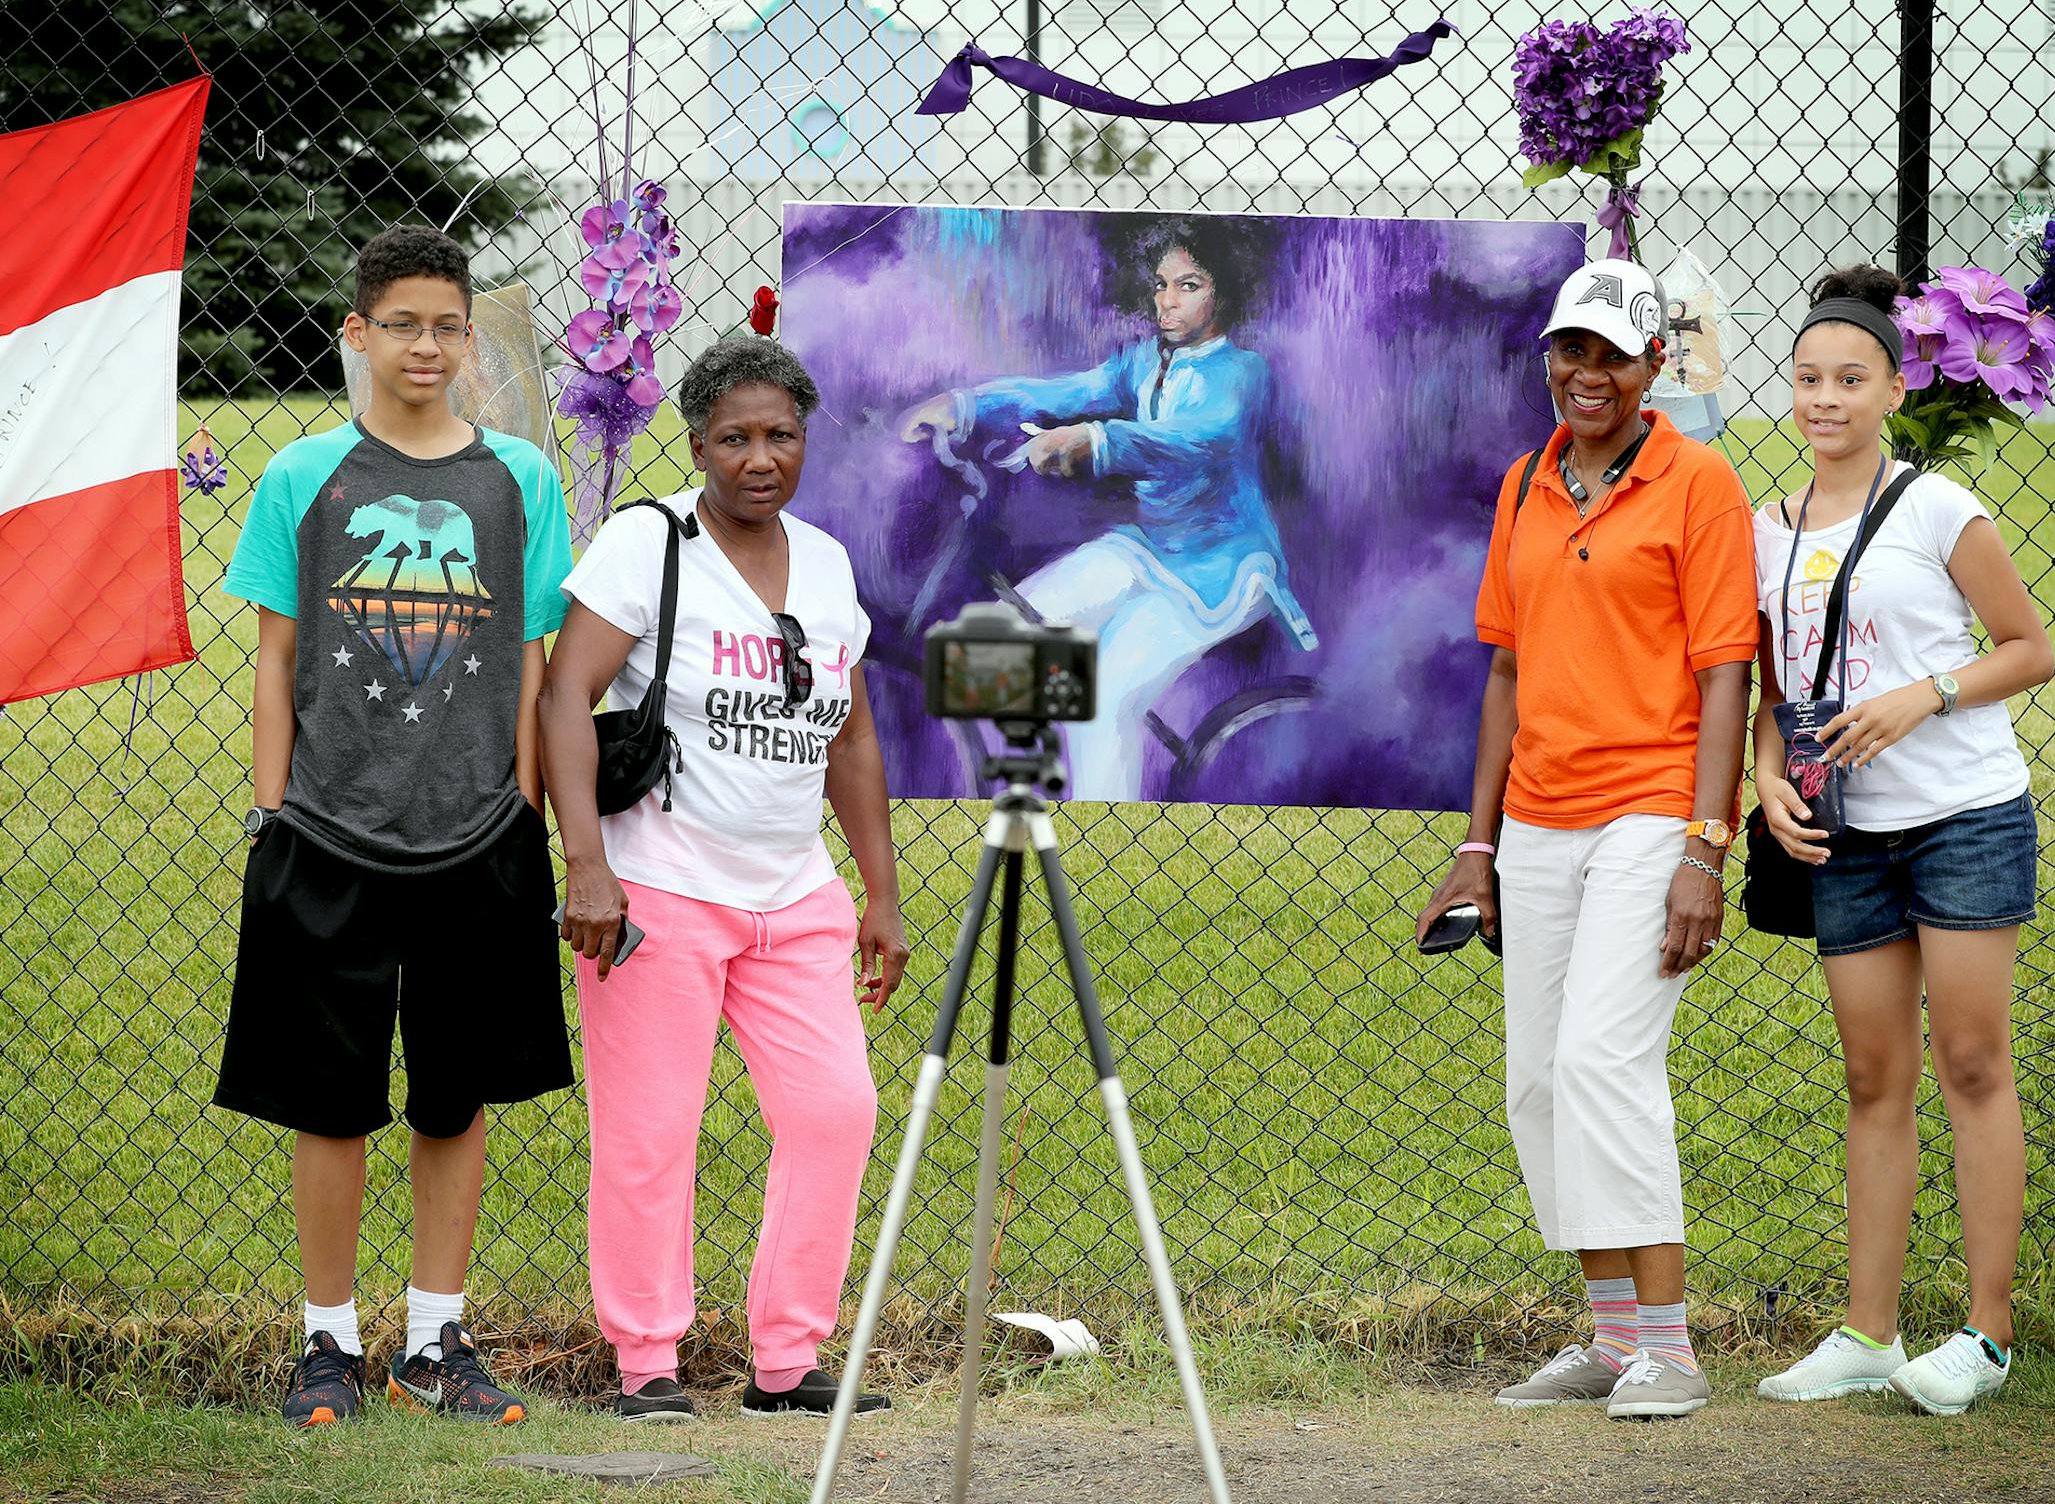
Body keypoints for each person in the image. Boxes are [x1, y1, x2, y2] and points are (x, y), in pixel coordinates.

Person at [215, 225, 575, 1426]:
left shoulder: (518, 478)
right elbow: (274, 660)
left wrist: (522, 810)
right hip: (329, 827)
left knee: (454, 1094)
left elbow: (531, 660)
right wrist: (274, 809)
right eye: (403, 324)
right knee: (331, 1097)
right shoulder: (301, 477)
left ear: (472, 338)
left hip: (478, 833)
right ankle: (327, 1344)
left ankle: (435, 1339)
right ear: (358, 334)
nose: (427, 345)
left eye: (448, 325)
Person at [539, 335, 910, 1423]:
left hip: (794, 892)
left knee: (837, 1110)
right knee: (653, 1129)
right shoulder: (645, 542)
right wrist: (588, 864)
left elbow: (849, 734)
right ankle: (646, 1359)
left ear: (806, 439)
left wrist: (878, 894)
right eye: (736, 437)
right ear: (697, 441)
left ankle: (787, 1361)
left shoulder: (830, 563)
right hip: (659, 887)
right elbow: (566, 696)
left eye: (781, 435)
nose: (760, 456)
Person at [1416, 259, 1757, 1419]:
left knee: (1606, 1061)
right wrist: (1477, 846)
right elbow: (1505, 668)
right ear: (1549, 360)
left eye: (1614, 353)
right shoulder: (1526, 481)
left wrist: (1707, 845)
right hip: (1538, 818)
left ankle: (1672, 1346)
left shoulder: (1698, 481)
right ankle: (1614, 1338)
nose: (1589, 373)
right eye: (1572, 350)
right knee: (1538, 1082)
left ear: (1655, 364)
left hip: (1655, 805)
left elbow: (1726, 674)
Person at [1750, 267, 2055, 1415]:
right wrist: (1770, 781)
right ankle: (1866, 1329)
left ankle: (1985, 1332)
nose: (1824, 398)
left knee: (1971, 1063)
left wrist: (1924, 693)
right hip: (1850, 835)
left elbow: (2029, 647)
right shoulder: (1762, 530)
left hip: (1965, 814)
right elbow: (1773, 689)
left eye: (1850, 380)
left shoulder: (1936, 507)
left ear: (1891, 390)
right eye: (1809, 379)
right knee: (1873, 1077)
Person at [896, 214, 1317, 801]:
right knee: (1007, 637)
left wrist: (1095, 441)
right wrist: (963, 405)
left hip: (1224, 568)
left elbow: (1193, 440)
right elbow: (1064, 392)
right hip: (1149, 549)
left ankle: (1108, 835)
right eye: (1161, 284)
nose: (1167, 302)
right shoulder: (1143, 362)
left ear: (1225, 292)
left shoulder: (1243, 373)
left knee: (1106, 694)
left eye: (1188, 285)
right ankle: (1029, 786)